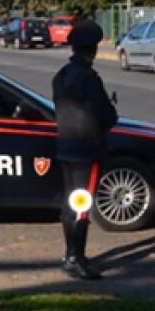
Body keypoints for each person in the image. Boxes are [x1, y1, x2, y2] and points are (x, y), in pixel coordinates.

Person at [51, 18, 118, 280]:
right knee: (81, 205)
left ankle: (72, 253)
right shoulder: (88, 78)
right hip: (86, 149)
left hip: (66, 146)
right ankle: (74, 258)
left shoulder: (62, 76)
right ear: (94, 48)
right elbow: (106, 114)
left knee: (71, 202)